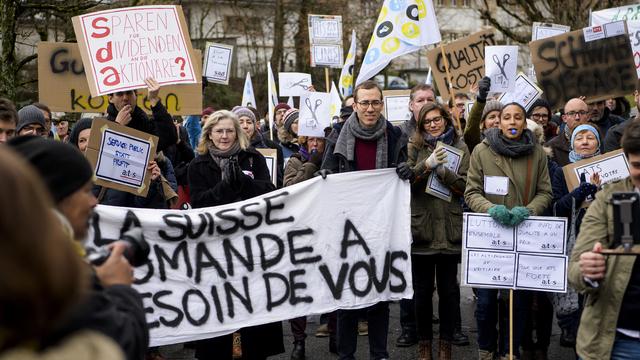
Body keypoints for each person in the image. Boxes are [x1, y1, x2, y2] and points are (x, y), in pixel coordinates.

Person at [8, 136, 149, 360]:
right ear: (55, 195)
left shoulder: (19, 261)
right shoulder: (53, 274)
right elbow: (123, 345)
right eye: (85, 191)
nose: (93, 202)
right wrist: (119, 289)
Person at [322, 80, 408, 360]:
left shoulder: (394, 135)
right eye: (364, 103)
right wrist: (322, 176)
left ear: (381, 104)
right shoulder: (338, 136)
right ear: (355, 105)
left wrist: (405, 171)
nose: (370, 108)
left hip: (382, 226)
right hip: (347, 228)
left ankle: (379, 354)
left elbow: (403, 172)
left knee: (379, 296)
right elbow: (327, 169)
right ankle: (346, 354)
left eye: (375, 102)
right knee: (347, 293)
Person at [188, 110, 283, 360]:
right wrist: (223, 188)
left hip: (249, 246)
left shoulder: (252, 158)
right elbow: (198, 204)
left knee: (252, 308)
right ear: (209, 134)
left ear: (238, 133)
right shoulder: (197, 165)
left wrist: (243, 182)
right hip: (215, 249)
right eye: (219, 131)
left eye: (230, 130)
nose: (225, 135)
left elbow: (269, 193)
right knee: (218, 311)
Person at [465, 102, 553, 360]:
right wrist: (490, 209)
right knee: (486, 302)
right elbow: (471, 192)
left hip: (523, 233)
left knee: (518, 302)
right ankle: (486, 349)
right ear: (499, 122)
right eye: (507, 118)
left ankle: (508, 352)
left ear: (524, 123)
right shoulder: (482, 151)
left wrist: (529, 210)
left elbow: (545, 191)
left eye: (518, 118)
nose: (512, 122)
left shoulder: (536, 153)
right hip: (491, 236)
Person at [400, 102, 470, 360]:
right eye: (427, 121)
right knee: (422, 292)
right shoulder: (413, 146)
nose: (433, 124)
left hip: (450, 228)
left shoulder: (460, 146)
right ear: (421, 125)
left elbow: (466, 186)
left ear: (445, 119)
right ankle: (425, 345)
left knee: (450, 292)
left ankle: (445, 345)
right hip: (422, 228)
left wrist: (445, 173)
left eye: (437, 119)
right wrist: (426, 165)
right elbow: (405, 181)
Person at [568, 120, 640, 360]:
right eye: (638, 166)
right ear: (627, 161)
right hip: (617, 341)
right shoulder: (610, 199)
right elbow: (576, 269)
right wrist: (588, 270)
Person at [550, 124, 602, 352]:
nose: (585, 141)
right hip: (575, 244)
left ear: (598, 144)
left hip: (603, 243)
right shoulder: (563, 172)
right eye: (579, 137)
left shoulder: (616, 169)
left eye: (590, 137)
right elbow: (557, 208)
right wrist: (582, 190)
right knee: (578, 296)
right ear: (572, 144)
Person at [282, 133, 327, 360]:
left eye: (320, 140)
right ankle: (299, 341)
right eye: (311, 140)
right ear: (304, 141)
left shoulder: (333, 159)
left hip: (326, 229)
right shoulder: (294, 161)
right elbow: (289, 189)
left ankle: (336, 333)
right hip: (299, 232)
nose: (316, 144)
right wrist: (311, 165)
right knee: (298, 288)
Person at [106, 77, 177, 153]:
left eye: (129, 92)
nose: (125, 98)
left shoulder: (144, 121)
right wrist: (117, 127)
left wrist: (154, 99)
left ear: (136, 95)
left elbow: (169, 139)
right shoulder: (104, 125)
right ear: (111, 98)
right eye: (119, 94)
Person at [233, 105, 284, 187]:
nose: (245, 126)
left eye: (249, 122)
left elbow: (277, 182)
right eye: (240, 122)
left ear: (255, 126)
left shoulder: (271, 149)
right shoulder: (226, 150)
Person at [546, 98, 591, 167]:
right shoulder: (551, 147)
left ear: (588, 116)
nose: (577, 117)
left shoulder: (598, 139)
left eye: (582, 112)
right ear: (564, 118)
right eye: (572, 113)